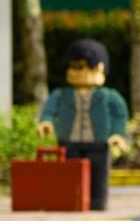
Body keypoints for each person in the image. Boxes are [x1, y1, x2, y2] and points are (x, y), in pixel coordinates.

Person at [38, 38, 130, 210]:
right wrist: (46, 122)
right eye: (73, 66)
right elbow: (49, 110)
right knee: (69, 174)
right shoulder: (62, 94)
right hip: (69, 142)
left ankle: (97, 201)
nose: (76, 71)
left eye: (81, 67)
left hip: (98, 143)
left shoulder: (108, 96)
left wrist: (118, 133)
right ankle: (70, 200)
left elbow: (120, 114)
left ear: (99, 68)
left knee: (98, 173)